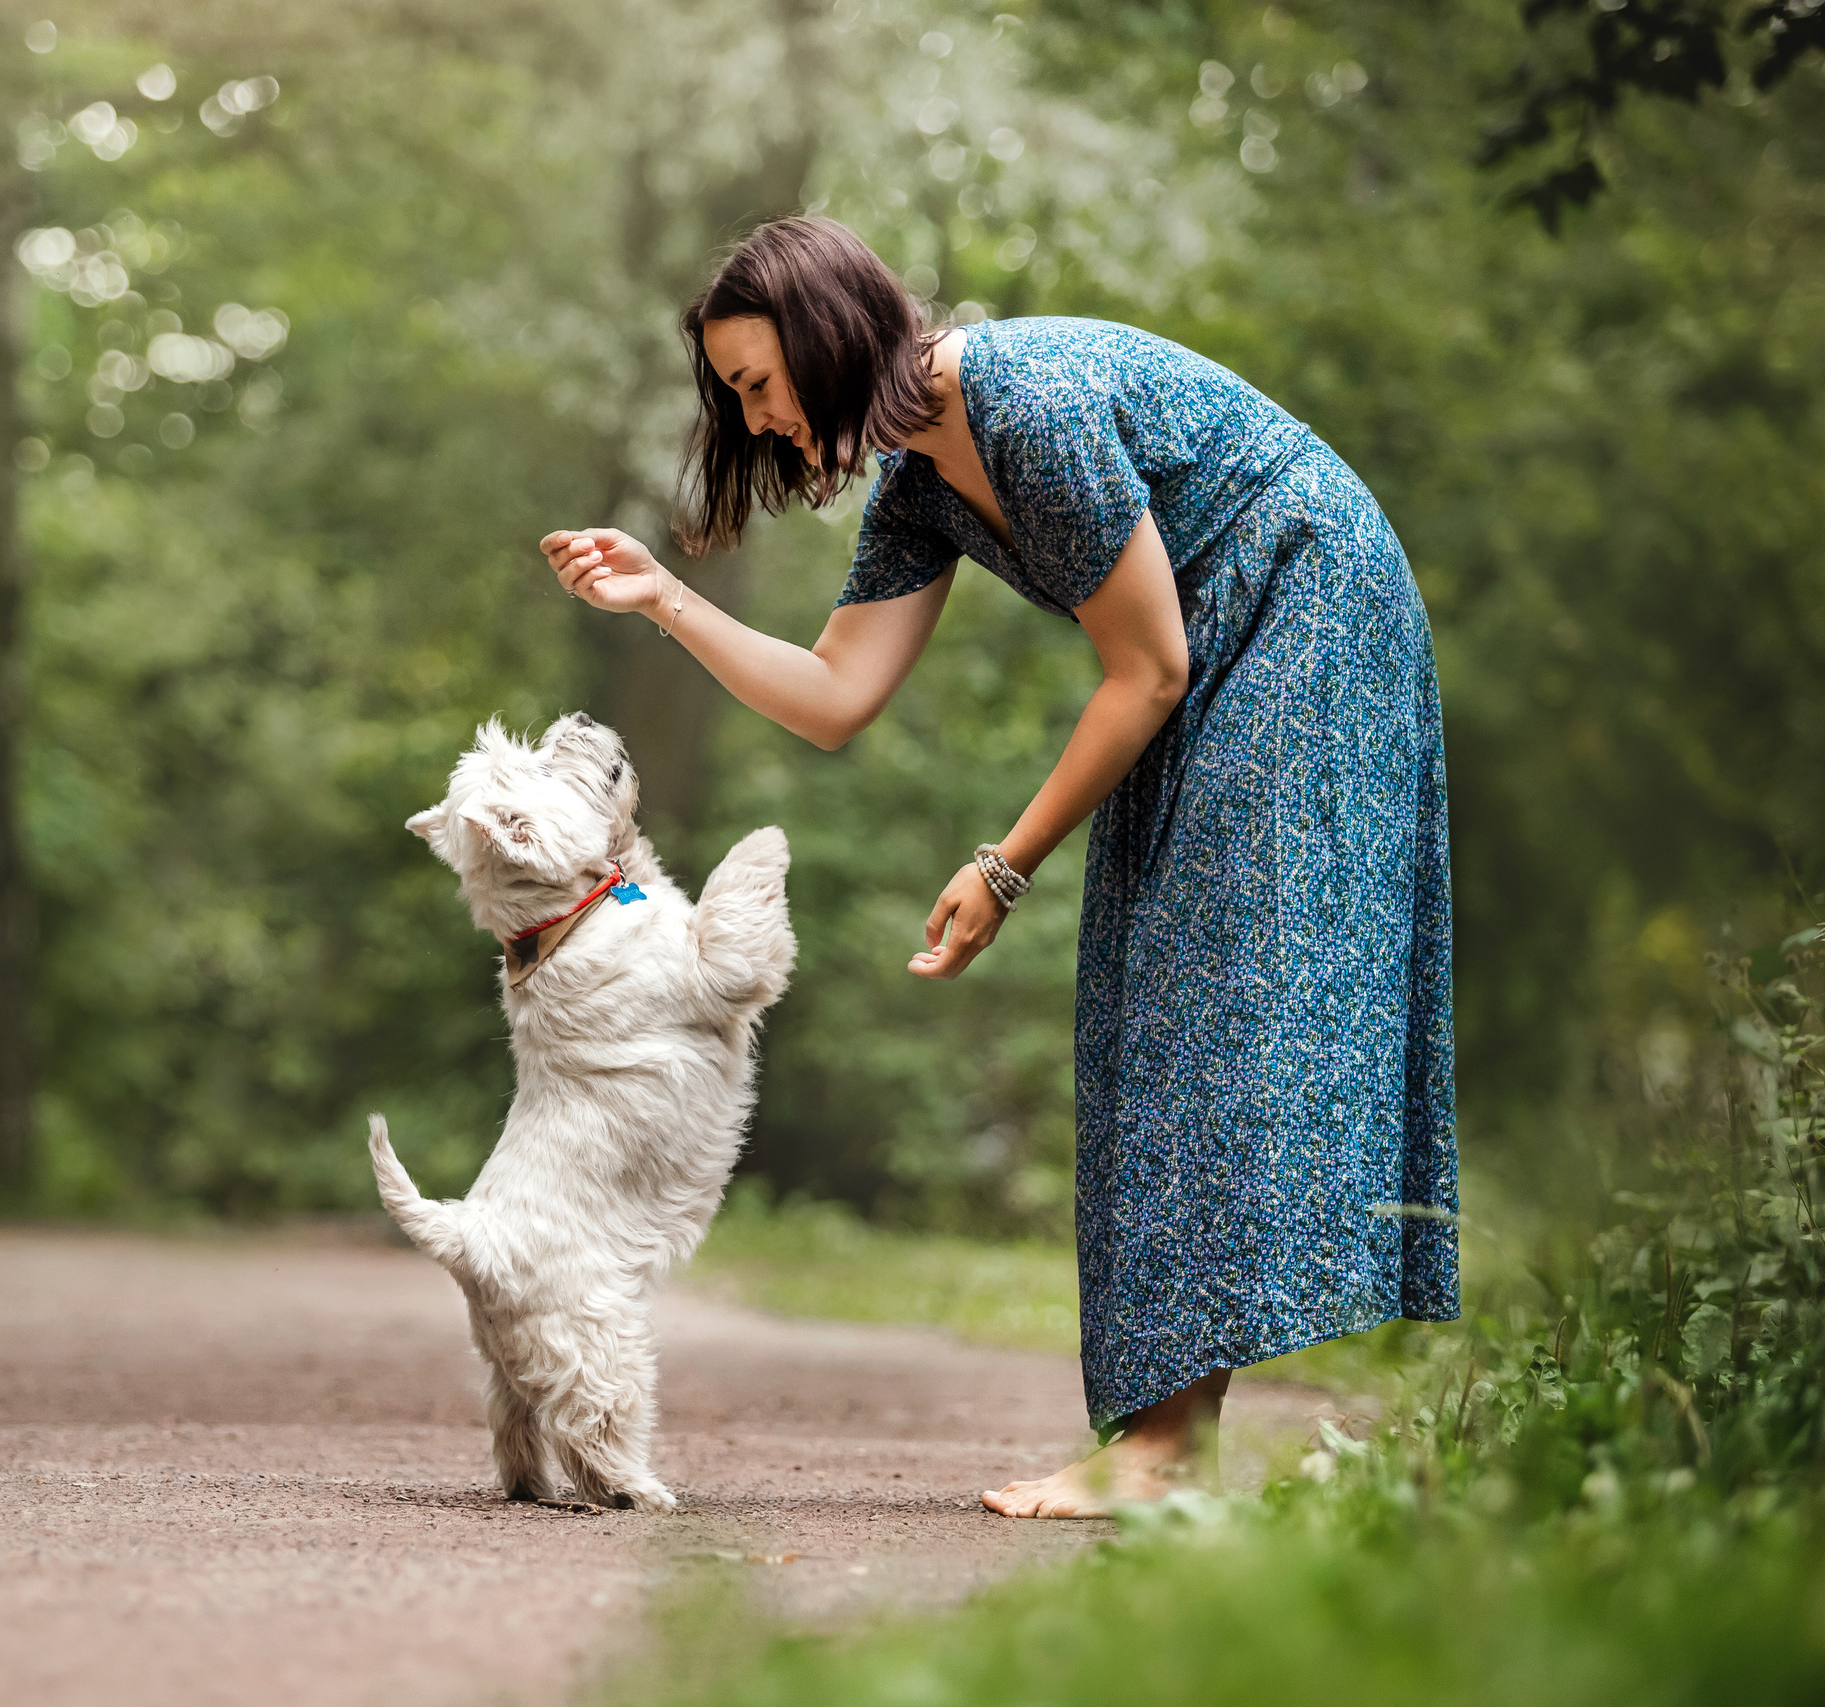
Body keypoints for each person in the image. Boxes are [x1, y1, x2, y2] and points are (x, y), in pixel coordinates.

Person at [540, 216, 1459, 1518]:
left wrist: (1006, 866)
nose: (753, 421)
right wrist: (665, 600)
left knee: (1191, 995)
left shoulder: (1027, 401)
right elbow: (834, 694)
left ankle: (1162, 1455)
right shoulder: (920, 482)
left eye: (756, 384)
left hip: (1309, 602)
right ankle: (1163, 1444)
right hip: (1212, 644)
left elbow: (1148, 669)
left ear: (826, 335)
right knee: (1142, 1003)